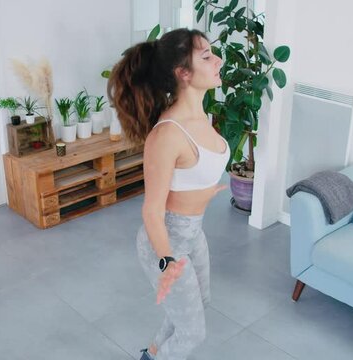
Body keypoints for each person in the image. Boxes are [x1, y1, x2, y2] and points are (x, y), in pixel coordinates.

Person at [107, 28, 228, 360]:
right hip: (164, 243)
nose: (218, 60)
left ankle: (152, 354)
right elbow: (151, 212)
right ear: (183, 73)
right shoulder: (167, 135)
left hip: (194, 234)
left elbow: (193, 171)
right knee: (193, 331)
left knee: (196, 307)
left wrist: (204, 191)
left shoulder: (200, 115)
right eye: (206, 56)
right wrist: (167, 262)